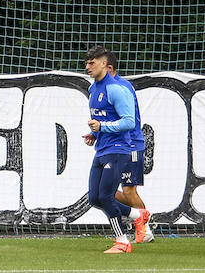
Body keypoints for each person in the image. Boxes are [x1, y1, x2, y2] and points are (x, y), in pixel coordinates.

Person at [80, 45, 141, 254]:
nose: (88, 67)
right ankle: (137, 215)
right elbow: (104, 118)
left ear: (105, 64)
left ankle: (122, 241)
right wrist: (95, 134)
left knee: (106, 197)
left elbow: (129, 122)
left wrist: (102, 127)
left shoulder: (116, 89)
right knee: (94, 198)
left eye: (92, 63)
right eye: (87, 63)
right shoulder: (92, 89)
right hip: (102, 148)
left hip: (118, 149)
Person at [108, 67, 153, 244]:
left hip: (131, 144)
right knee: (104, 192)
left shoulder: (122, 87)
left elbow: (127, 120)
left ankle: (145, 230)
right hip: (116, 146)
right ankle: (141, 219)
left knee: (129, 190)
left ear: (108, 67)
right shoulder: (108, 87)